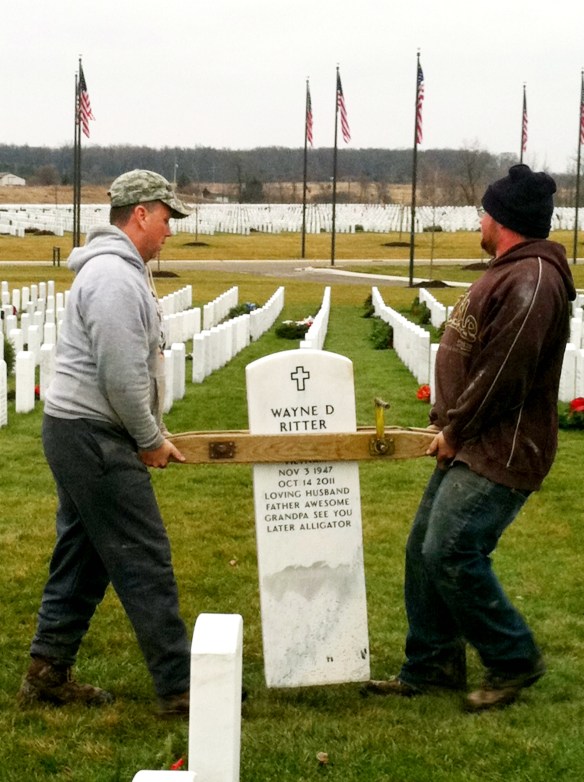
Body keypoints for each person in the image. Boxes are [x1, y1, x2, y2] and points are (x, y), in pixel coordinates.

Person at [365, 164, 576, 712]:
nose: (478, 218)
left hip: (501, 448)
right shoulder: (509, 271)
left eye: (483, 210)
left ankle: (513, 658)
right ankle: (432, 666)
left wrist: (456, 430)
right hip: (474, 440)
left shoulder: (532, 281)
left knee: (452, 550)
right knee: (423, 550)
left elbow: (505, 373)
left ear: (502, 218)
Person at [18, 170, 194, 716]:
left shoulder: (119, 272)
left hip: (78, 430)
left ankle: (47, 674)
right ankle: (182, 690)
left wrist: (151, 431)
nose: (169, 231)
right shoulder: (115, 279)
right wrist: (148, 439)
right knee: (144, 557)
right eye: (167, 218)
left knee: (84, 556)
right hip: (95, 435)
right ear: (140, 214)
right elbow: (119, 375)